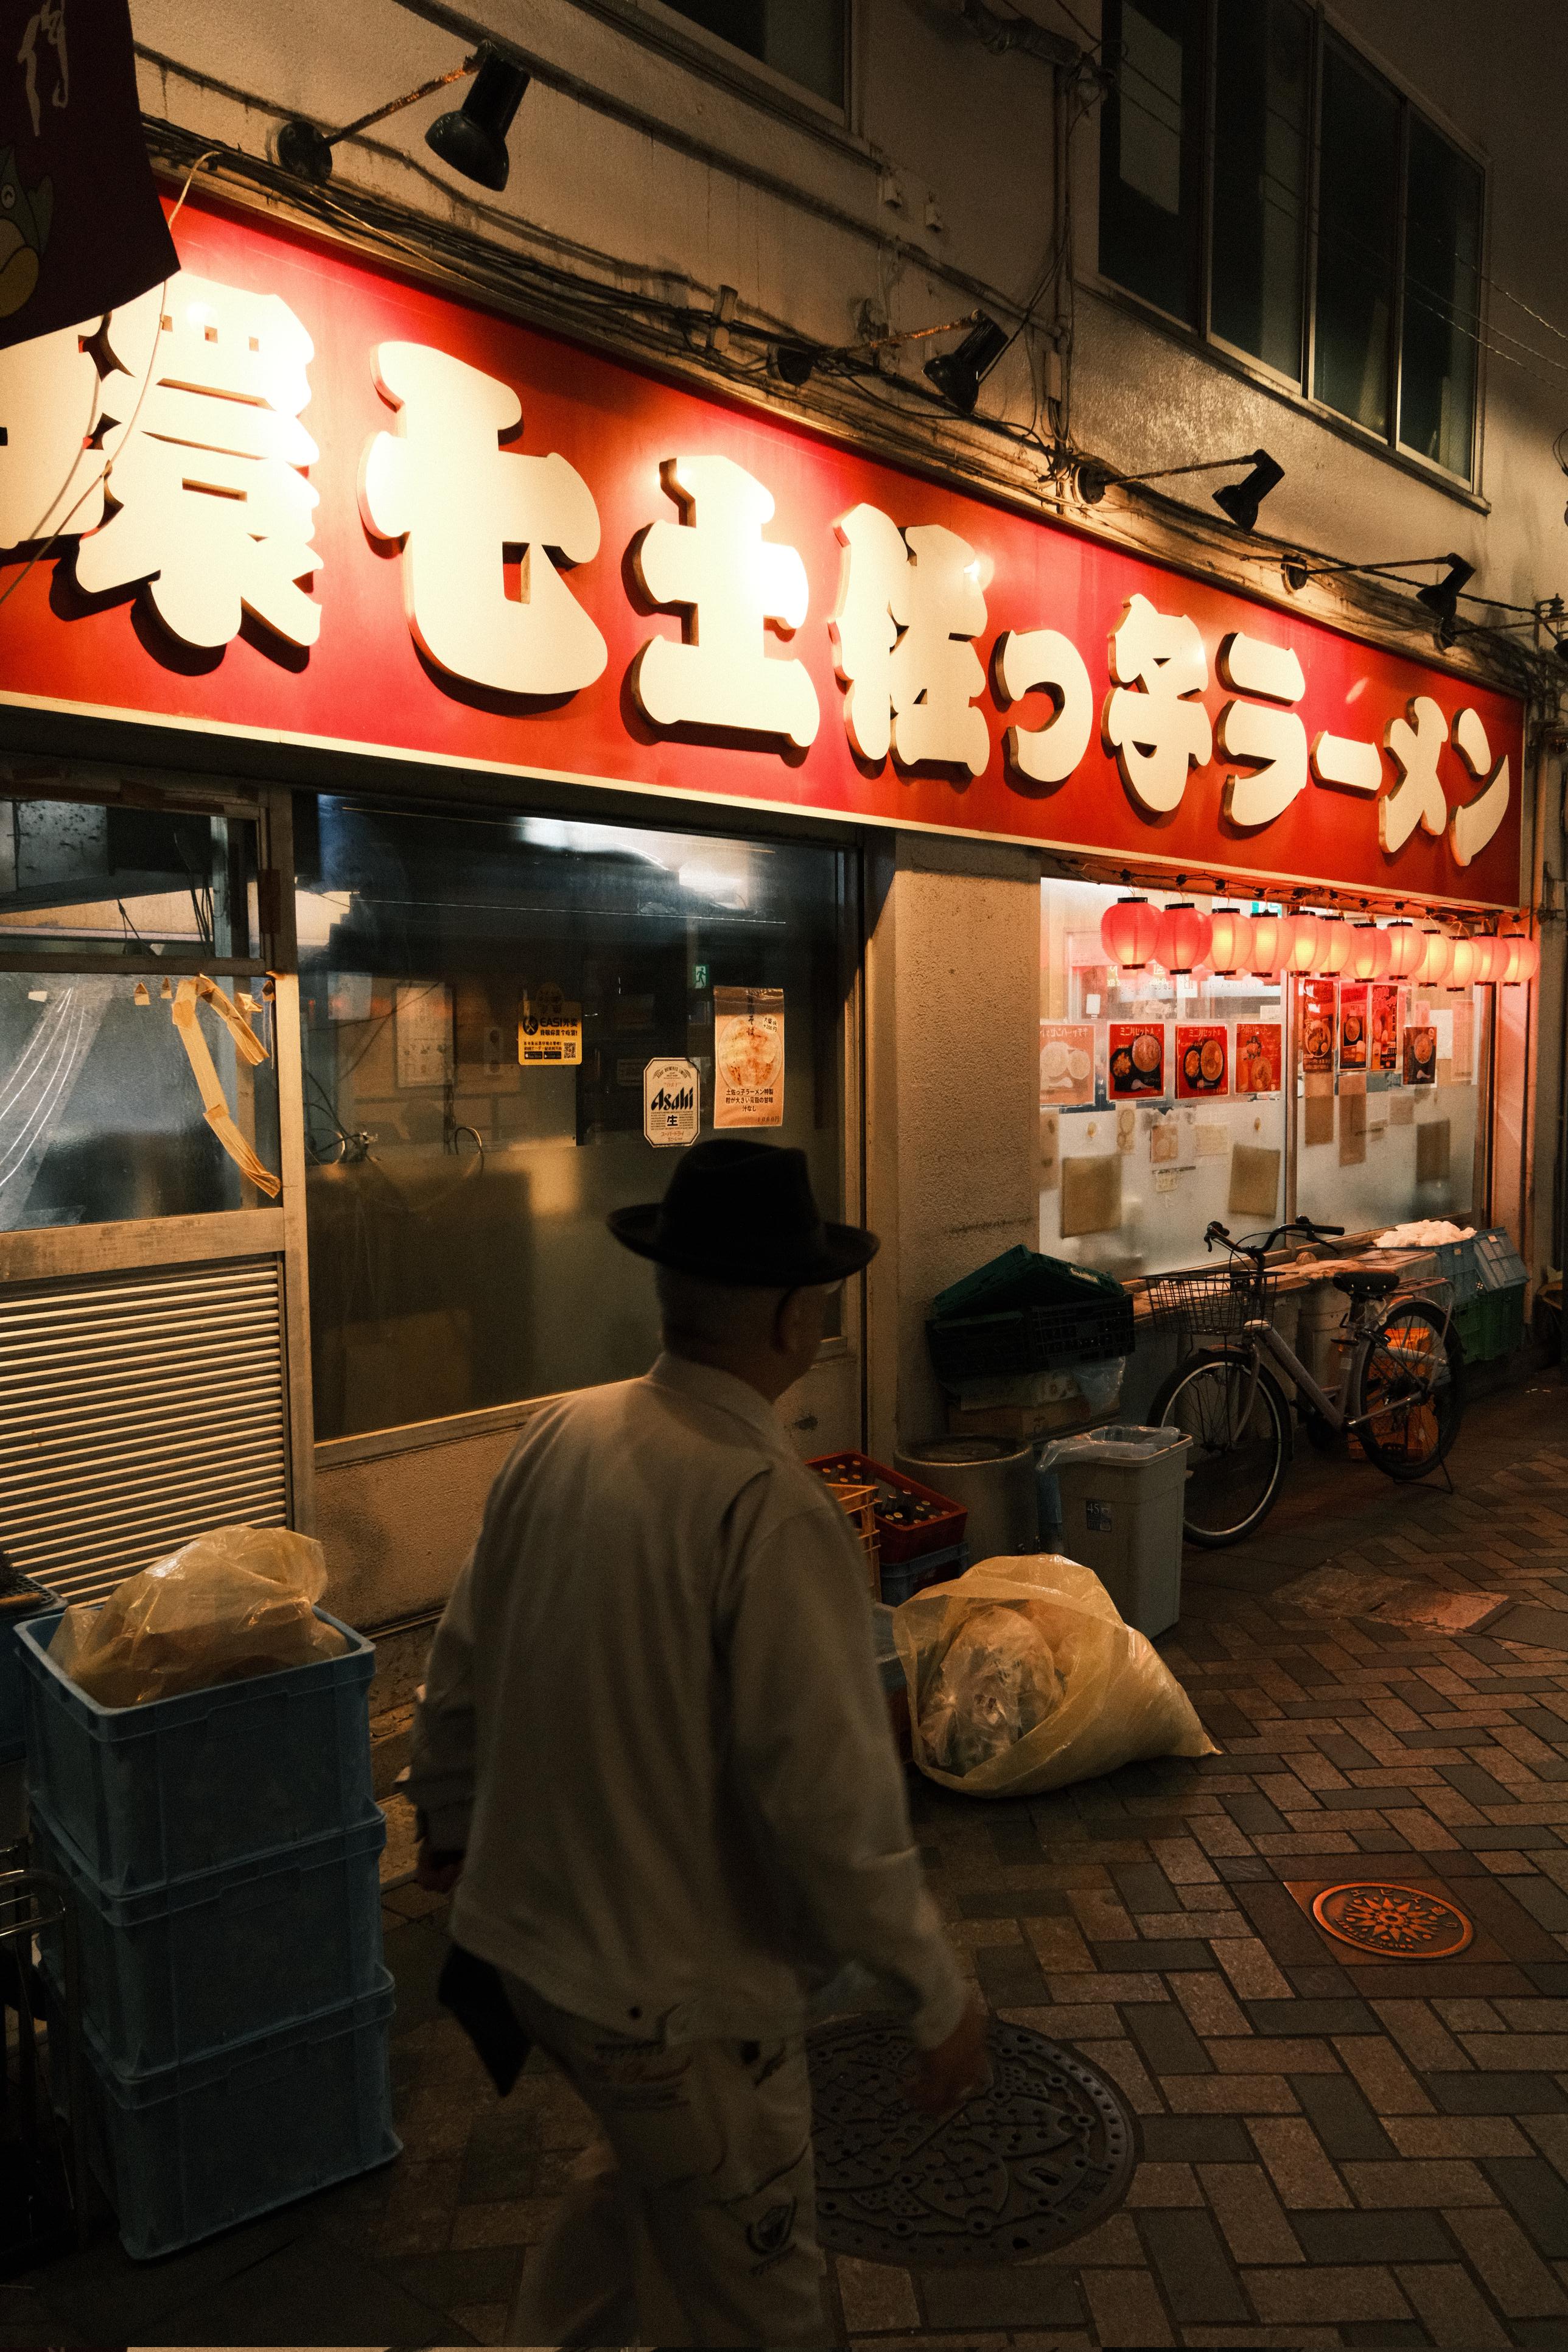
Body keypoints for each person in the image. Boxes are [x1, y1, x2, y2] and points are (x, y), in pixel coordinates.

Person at [407, 1138, 984, 2348]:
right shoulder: (764, 1505)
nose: (825, 1306)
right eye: (817, 1289)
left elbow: (458, 1662)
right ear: (786, 1317)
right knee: (759, 2287)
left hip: (534, 1957)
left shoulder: (561, 1432)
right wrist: (932, 1987)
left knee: (644, 2181)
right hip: (670, 1997)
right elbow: (830, 1804)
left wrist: (449, 1823)